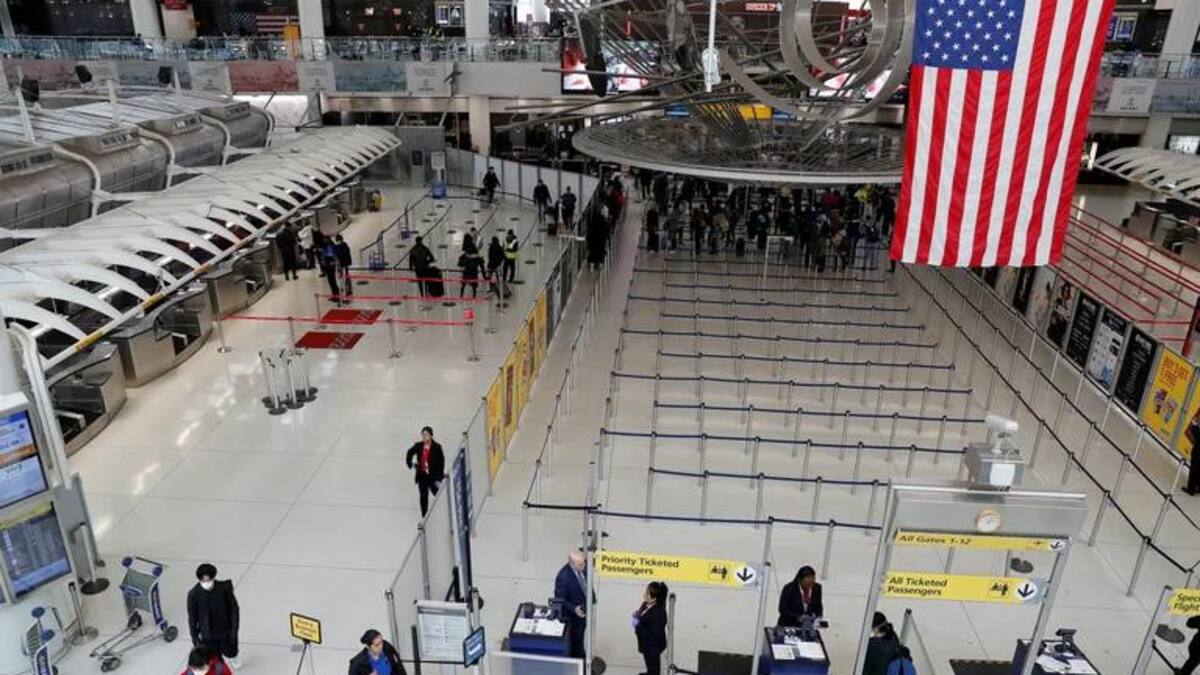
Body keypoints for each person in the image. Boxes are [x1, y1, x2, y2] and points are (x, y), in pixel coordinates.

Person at [186, 564, 241, 669]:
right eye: (203, 580)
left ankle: (233, 657)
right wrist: (195, 637)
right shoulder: (194, 594)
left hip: (225, 629)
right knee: (215, 658)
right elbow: (192, 618)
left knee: (231, 650)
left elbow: (234, 609)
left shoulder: (224, 588)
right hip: (208, 634)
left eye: (208, 580)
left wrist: (234, 629)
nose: (206, 583)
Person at [554, 550, 589, 659]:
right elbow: (560, 600)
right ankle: (579, 661)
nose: (584, 566)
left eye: (584, 562)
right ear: (572, 564)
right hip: (573, 619)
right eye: (581, 564)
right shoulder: (563, 578)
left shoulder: (582, 567)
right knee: (576, 643)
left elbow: (586, 582)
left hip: (583, 610)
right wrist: (574, 609)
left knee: (581, 637)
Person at [405, 426, 445, 516]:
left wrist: (439, 478)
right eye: (423, 435)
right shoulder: (419, 446)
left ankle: (442, 512)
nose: (424, 437)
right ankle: (424, 516)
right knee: (423, 497)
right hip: (422, 476)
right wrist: (410, 464)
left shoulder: (437, 447)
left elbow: (441, 463)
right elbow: (409, 452)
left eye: (426, 435)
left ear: (431, 436)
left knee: (438, 494)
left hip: (433, 476)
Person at [633, 581, 668, 675]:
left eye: (647, 593)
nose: (644, 594)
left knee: (653, 664)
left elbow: (653, 635)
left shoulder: (658, 614)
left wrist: (638, 625)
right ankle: (650, 672)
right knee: (650, 664)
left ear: (655, 598)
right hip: (648, 645)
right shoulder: (647, 603)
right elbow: (643, 612)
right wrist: (638, 615)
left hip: (652, 647)